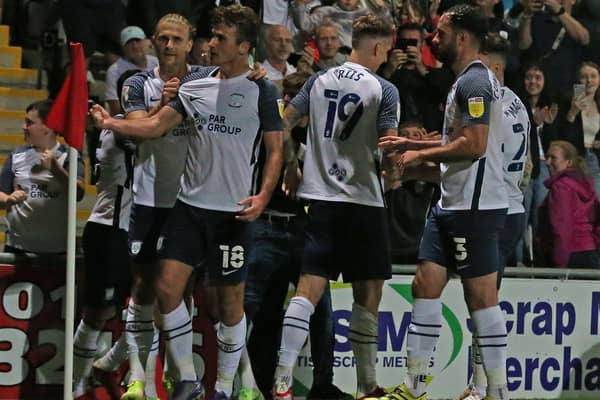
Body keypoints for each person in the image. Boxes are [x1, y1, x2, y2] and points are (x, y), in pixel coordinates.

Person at [90, 5, 283, 400]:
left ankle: (225, 388)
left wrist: (264, 195)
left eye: (221, 38)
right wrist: (111, 123)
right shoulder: (194, 84)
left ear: (244, 46)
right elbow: (155, 125)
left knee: (229, 306)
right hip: (188, 208)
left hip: (233, 213)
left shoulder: (262, 89)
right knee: (165, 290)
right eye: (211, 36)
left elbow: (276, 151)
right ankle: (188, 381)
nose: (211, 43)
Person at [374, 5, 509, 400]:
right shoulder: (462, 82)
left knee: (480, 298)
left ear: (462, 37)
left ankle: (498, 391)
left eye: (440, 33)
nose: (433, 39)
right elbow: (457, 137)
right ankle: (414, 388)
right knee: (424, 284)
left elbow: (475, 145)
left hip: (476, 207)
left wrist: (418, 157)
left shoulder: (476, 83)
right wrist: (411, 143)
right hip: (450, 203)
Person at [271, 14, 399, 400]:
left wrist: (292, 164)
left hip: (320, 199)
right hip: (362, 201)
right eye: (386, 50)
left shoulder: (318, 80)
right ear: (377, 47)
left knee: (307, 288)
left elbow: (281, 121)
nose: (387, 56)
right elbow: (389, 146)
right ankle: (366, 386)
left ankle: (280, 382)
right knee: (367, 295)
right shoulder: (384, 89)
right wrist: (395, 174)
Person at [239, 71, 352, 400]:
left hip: (304, 230)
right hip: (266, 228)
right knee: (257, 310)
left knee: (323, 313)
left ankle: (322, 386)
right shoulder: (271, 128)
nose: (294, 105)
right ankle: (251, 384)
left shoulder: (323, 136)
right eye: (289, 97)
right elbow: (281, 133)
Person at [460, 32, 530, 400]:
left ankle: (484, 386)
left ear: (496, 66)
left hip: (496, 208)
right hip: (513, 205)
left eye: (482, 64)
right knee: (486, 300)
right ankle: (483, 384)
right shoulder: (519, 103)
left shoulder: (493, 103)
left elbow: (474, 151)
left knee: (483, 302)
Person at [72, 70, 137, 400]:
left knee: (148, 305)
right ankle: (77, 382)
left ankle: (108, 363)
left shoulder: (122, 125)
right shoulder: (119, 129)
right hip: (108, 229)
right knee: (99, 312)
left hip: (136, 230)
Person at [0, 100, 85, 253]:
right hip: (17, 248)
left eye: (29, 123)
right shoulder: (17, 156)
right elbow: (1, 192)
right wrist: (8, 199)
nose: (23, 127)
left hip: (56, 251)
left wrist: (55, 169)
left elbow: (78, 193)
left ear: (47, 126)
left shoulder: (70, 156)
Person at [537, 140, 600, 268]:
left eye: (553, 158)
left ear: (569, 162)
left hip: (569, 255)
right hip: (590, 252)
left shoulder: (560, 187)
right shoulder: (587, 185)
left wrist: (560, 262)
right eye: (547, 157)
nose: (547, 162)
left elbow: (562, 226)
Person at [517, 0, 590, 93]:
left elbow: (584, 39)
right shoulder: (538, 18)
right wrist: (527, 15)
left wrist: (559, 11)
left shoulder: (581, 20)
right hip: (544, 88)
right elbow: (524, 45)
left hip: (573, 87)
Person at [562, 61, 600, 197]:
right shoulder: (568, 101)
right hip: (575, 158)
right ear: (578, 80)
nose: (589, 80)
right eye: (584, 77)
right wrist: (572, 113)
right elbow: (563, 138)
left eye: (593, 76)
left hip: (594, 157)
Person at [105, 26, 159, 115]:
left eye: (138, 41)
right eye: (129, 43)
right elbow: (116, 109)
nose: (134, 46)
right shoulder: (114, 71)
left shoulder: (156, 62)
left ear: (146, 42)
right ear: (122, 46)